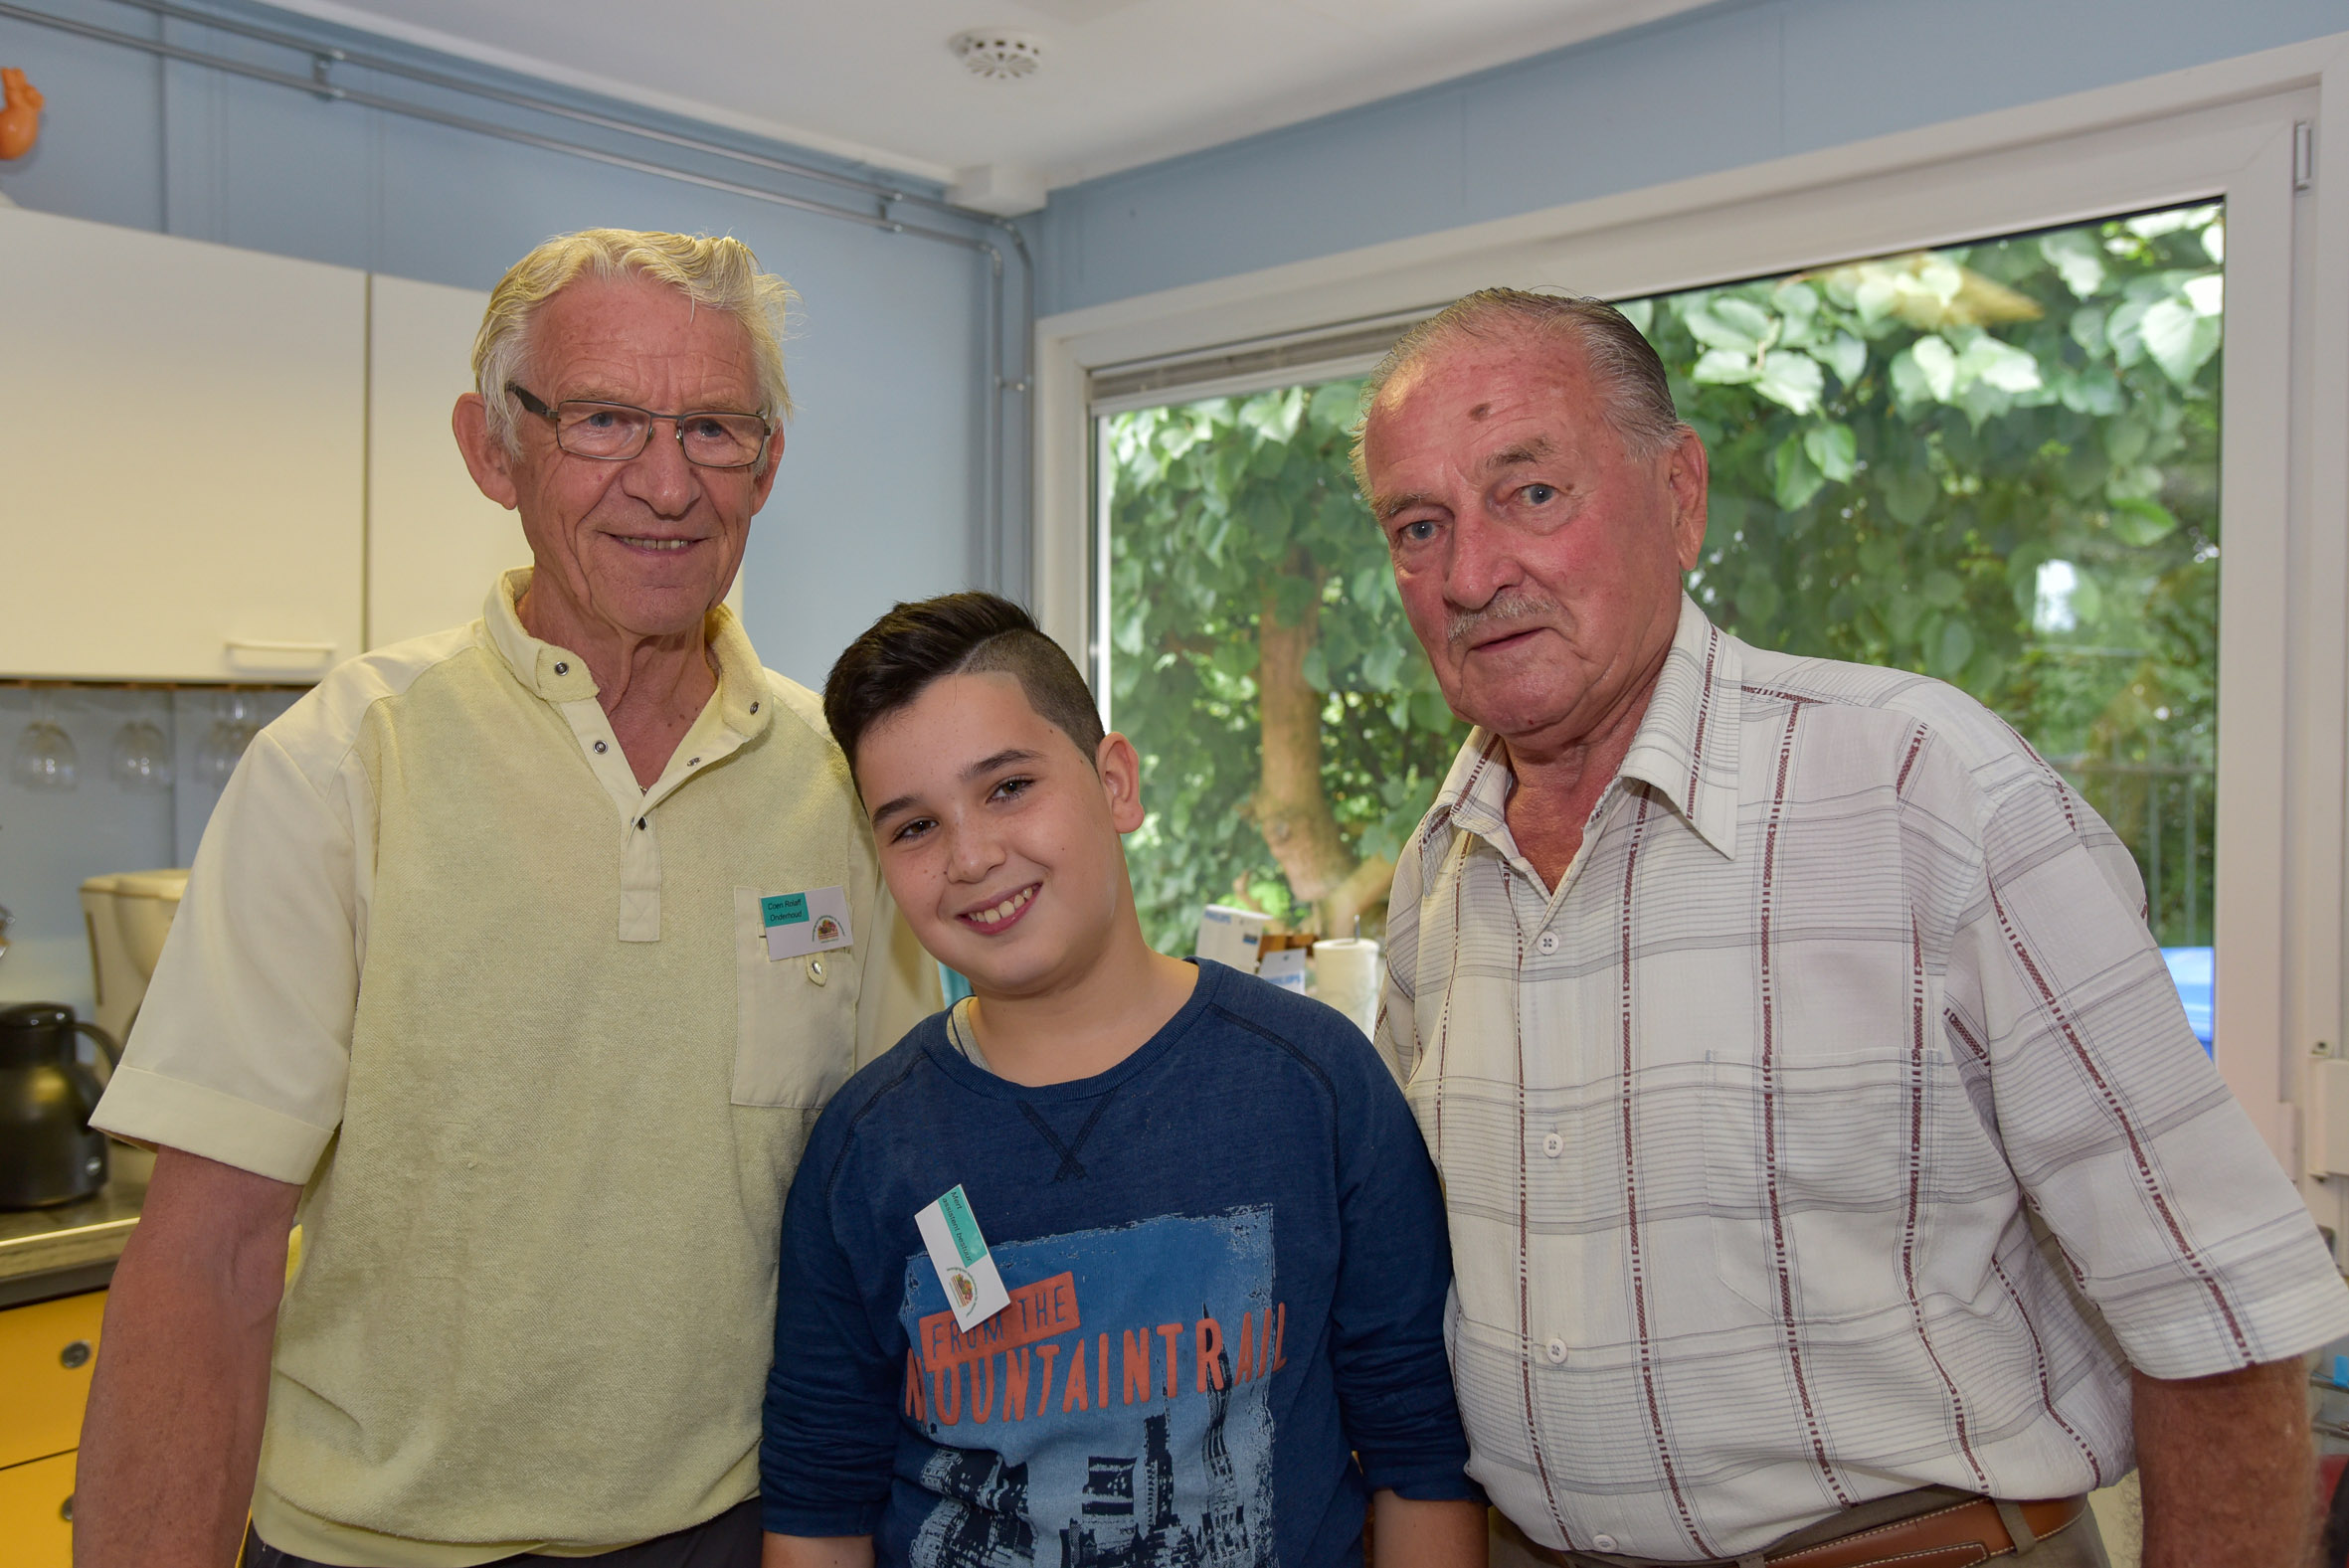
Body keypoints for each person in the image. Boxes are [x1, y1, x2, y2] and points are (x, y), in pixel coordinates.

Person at [1355, 287, 2349, 1568]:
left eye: (1530, 492)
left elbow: (2216, 1305)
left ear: (1679, 494)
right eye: (1418, 526)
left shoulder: (1925, 787)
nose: (1470, 575)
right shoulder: (1438, 877)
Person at [73, 229, 938, 1568]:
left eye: (714, 428)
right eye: (603, 420)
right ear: (492, 450)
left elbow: (901, 1190)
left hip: (735, 1532)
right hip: (374, 1544)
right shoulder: (346, 762)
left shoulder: (838, 781)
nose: (667, 482)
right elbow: (208, 1260)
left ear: (767, 465)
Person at [759, 592, 1486, 1568]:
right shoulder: (865, 1149)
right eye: (915, 825)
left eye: (1009, 786)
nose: (971, 855)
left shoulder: (1314, 1085)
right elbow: (819, 1505)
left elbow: (1420, 1456)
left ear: (1115, 783)